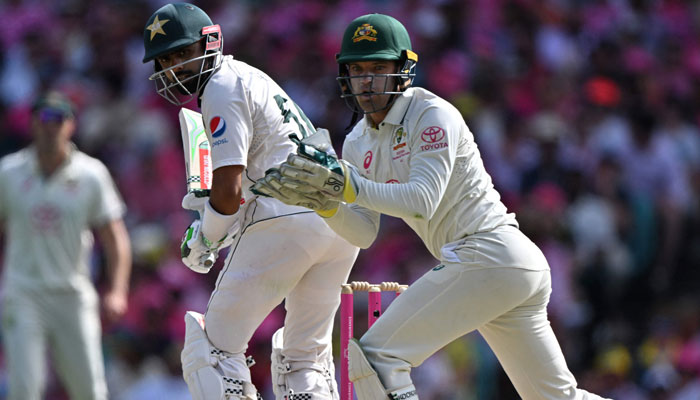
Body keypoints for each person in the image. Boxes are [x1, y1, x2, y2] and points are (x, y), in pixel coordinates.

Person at [253, 13, 611, 400]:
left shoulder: (431, 114)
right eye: (357, 69)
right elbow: (364, 231)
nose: (367, 80)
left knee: (375, 359)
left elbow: (422, 201)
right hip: (496, 267)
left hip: (490, 252)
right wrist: (324, 204)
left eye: (378, 68)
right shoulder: (357, 140)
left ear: (403, 70)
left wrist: (346, 184)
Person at [141, 3, 359, 400]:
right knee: (304, 361)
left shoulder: (220, 87)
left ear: (210, 43)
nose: (173, 68)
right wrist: (217, 227)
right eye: (165, 60)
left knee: (212, 351)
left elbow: (229, 191)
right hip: (338, 223)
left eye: (181, 54)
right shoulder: (249, 76)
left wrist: (205, 239)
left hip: (286, 216)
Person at [0, 91, 132, 400]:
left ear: (71, 125)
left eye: (59, 118)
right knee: (25, 390)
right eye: (45, 117)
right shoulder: (9, 173)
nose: (51, 125)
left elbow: (115, 238)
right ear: (33, 123)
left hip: (73, 294)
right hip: (24, 292)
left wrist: (118, 290)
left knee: (90, 390)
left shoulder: (91, 174)